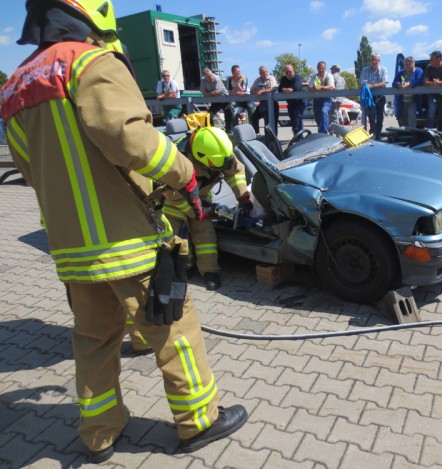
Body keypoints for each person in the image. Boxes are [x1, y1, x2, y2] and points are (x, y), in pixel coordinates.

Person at [0, 0, 247, 463]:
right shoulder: (90, 62)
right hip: (124, 239)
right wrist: (184, 174)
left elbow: (29, 171)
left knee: (94, 339)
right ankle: (199, 421)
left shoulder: (14, 86)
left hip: (71, 247)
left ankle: (99, 434)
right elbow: (131, 138)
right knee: (174, 328)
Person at [164, 127, 252, 291]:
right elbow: (174, 196)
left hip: (201, 197)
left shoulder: (217, 150)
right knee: (176, 237)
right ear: (201, 158)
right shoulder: (178, 161)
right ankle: (182, 268)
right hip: (174, 202)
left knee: (205, 234)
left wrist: (243, 196)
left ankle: (210, 272)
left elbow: (235, 172)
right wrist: (199, 211)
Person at [423, 51, 442, 131]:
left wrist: (438, 82)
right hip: (432, 94)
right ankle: (428, 133)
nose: (430, 61)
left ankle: (440, 133)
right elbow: (425, 82)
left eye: (432, 60)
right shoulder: (429, 67)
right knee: (431, 113)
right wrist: (433, 83)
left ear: (439, 59)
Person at [359, 54, 387, 139]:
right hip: (369, 97)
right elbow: (360, 84)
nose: (374, 61)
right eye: (373, 60)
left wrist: (371, 86)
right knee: (371, 115)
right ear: (370, 61)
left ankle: (377, 135)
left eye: (376, 60)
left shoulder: (383, 70)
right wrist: (366, 86)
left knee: (380, 117)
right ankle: (373, 133)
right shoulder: (364, 70)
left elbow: (384, 84)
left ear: (379, 61)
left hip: (380, 97)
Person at [392, 56, 424, 128]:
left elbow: (419, 81)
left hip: (413, 100)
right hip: (402, 101)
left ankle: (412, 133)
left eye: (410, 64)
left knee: (411, 113)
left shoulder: (419, 71)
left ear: (413, 64)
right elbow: (394, 83)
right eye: (406, 64)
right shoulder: (400, 73)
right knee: (402, 120)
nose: (408, 66)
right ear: (404, 65)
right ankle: (405, 135)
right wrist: (398, 85)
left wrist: (410, 84)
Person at [250, 65, 279, 135]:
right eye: (263, 72)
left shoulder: (271, 78)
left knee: (272, 122)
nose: (265, 73)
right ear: (260, 73)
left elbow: (273, 89)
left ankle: (273, 139)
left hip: (273, 103)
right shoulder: (257, 80)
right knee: (254, 116)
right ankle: (257, 134)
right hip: (263, 103)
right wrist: (257, 91)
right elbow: (251, 90)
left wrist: (262, 91)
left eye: (266, 72)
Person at [200, 67, 231, 132]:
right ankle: (212, 131)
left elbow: (218, 92)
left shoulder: (217, 78)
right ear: (205, 77)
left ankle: (229, 131)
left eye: (211, 75)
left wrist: (209, 93)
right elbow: (203, 94)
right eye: (208, 77)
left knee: (228, 113)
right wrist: (212, 93)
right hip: (215, 101)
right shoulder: (203, 81)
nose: (211, 77)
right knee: (208, 116)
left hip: (224, 98)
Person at [309, 61, 335, 133]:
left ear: (325, 68)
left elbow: (332, 87)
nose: (321, 70)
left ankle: (324, 134)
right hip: (316, 100)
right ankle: (322, 133)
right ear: (317, 68)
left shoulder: (329, 75)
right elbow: (309, 87)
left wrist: (321, 87)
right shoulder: (314, 76)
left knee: (323, 112)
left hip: (326, 100)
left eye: (322, 68)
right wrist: (314, 88)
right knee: (318, 119)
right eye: (319, 68)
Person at [278, 64, 305, 134]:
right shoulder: (283, 79)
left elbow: (297, 87)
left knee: (297, 118)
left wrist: (286, 89)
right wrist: (286, 89)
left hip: (300, 102)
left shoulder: (297, 77)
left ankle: (299, 138)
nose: (288, 73)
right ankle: (298, 137)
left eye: (289, 71)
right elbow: (279, 89)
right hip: (290, 104)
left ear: (293, 71)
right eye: (286, 72)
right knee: (293, 121)